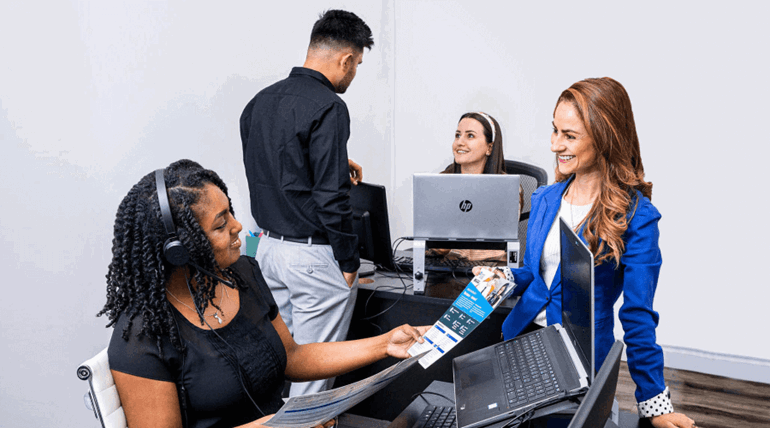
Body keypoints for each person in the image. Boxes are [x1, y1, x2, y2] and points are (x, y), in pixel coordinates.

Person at [98, 160, 427, 428]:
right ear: (177, 250)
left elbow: (293, 357)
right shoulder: (143, 336)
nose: (238, 227)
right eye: (220, 224)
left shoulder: (243, 274)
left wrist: (385, 344)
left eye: (231, 213)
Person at [479, 78, 696, 427]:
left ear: (604, 137)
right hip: (519, 341)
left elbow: (639, 315)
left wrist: (655, 405)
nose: (555, 145)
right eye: (554, 131)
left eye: (569, 135)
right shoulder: (545, 198)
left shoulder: (637, 217)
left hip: (577, 360)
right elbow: (537, 276)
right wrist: (505, 276)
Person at [239, 10, 371, 396]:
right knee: (312, 384)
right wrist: (349, 261)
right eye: (357, 65)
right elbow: (331, 198)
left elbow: (272, 166)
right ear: (346, 60)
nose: (354, 74)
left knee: (280, 368)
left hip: (266, 250)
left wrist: (331, 162)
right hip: (312, 260)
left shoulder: (258, 102)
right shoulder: (330, 106)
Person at [435, 112, 517, 262]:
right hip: (447, 266)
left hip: (491, 268)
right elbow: (435, 242)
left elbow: (500, 239)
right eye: (457, 135)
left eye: (470, 136)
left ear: (489, 148)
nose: (460, 142)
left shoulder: (508, 189)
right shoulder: (440, 182)